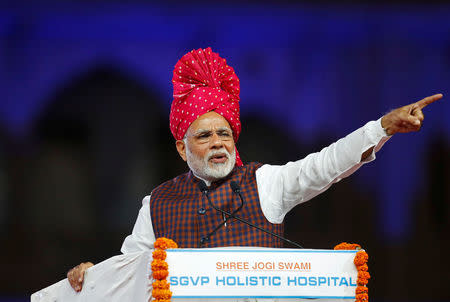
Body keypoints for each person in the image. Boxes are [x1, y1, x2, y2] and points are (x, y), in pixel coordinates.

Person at [67, 47, 443, 292]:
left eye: (224, 133)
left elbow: (325, 165)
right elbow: (128, 269)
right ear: (182, 148)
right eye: (205, 136)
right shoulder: (157, 203)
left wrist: (382, 128)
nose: (218, 142)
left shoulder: (265, 183)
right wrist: (91, 275)